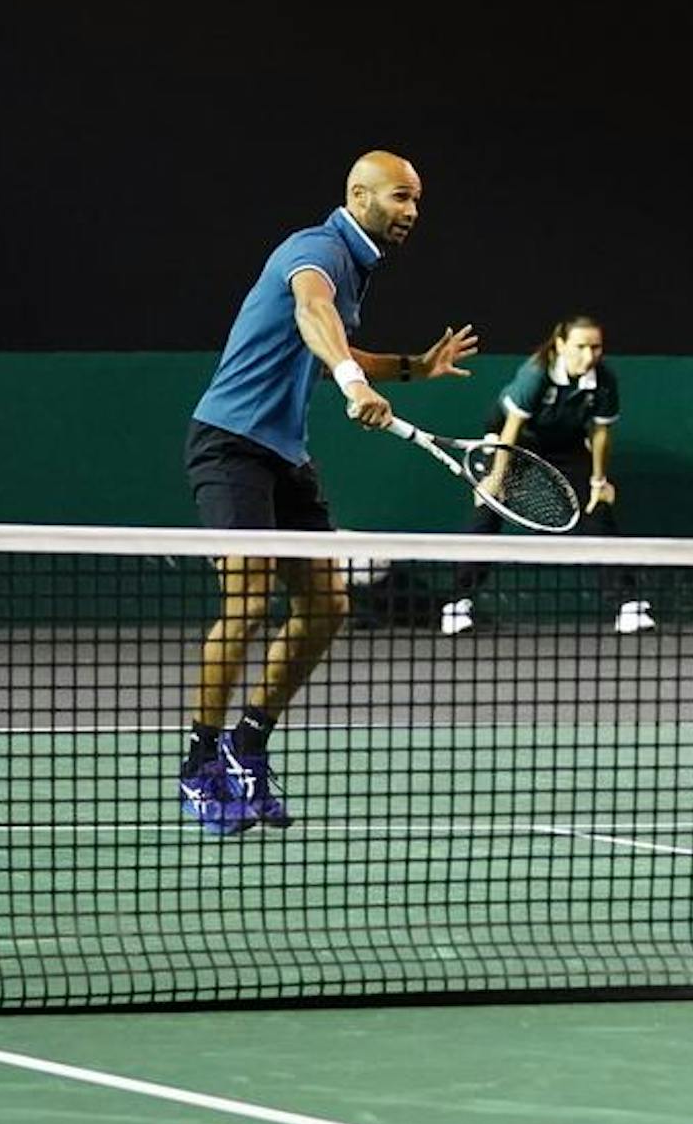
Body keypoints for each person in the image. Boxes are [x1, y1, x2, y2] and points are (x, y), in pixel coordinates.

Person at [182, 150, 479, 836]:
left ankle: (247, 745)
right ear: (359, 194)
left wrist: (409, 368)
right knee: (249, 599)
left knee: (326, 603)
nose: (412, 213)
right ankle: (200, 765)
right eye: (401, 197)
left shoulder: (360, 267)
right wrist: (352, 383)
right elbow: (314, 313)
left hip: (285, 456)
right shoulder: (316, 249)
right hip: (229, 444)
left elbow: (329, 341)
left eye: (417, 203)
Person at [439, 315, 654, 636]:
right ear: (561, 345)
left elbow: (600, 434)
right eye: (580, 347)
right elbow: (511, 428)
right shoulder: (536, 374)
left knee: (598, 511)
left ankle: (628, 605)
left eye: (595, 347)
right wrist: (495, 480)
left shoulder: (604, 379)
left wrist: (599, 481)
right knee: (487, 511)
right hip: (513, 441)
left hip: (565, 445)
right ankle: (457, 605)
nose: (589, 355)